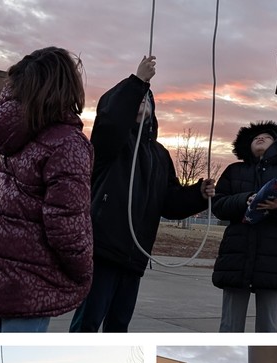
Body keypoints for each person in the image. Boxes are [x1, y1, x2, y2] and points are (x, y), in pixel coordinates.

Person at [69, 55, 215, 332]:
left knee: (119, 325)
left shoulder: (159, 154)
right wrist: (137, 81)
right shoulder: (108, 143)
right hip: (103, 250)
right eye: (138, 98)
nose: (143, 100)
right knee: (87, 321)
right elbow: (111, 121)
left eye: (148, 98)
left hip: (134, 256)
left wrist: (198, 194)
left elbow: (168, 202)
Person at [0, 47, 93, 332]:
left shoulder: (15, 136)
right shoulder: (67, 143)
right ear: (66, 87)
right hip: (31, 287)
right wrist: (83, 270)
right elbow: (66, 223)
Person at [212, 122, 277, 332]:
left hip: (273, 259)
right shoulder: (234, 171)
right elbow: (218, 205)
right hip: (237, 256)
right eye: (255, 138)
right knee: (229, 326)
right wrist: (245, 200)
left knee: (270, 327)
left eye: (267, 137)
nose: (260, 138)